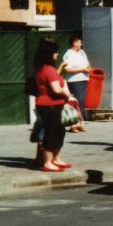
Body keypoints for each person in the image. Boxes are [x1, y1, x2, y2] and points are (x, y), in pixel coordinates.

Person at [34, 37, 73, 172]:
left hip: (50, 105)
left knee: (58, 132)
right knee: (52, 133)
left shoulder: (42, 68)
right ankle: (48, 162)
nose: (57, 54)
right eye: (55, 52)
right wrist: (67, 95)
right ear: (50, 53)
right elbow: (56, 89)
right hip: (51, 105)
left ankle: (56, 159)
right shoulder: (49, 70)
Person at [59, 36, 92, 133]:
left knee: (81, 102)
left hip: (84, 79)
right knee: (77, 100)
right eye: (79, 42)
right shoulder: (68, 54)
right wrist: (82, 69)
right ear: (74, 43)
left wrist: (88, 67)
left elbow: (87, 63)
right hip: (75, 81)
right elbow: (68, 69)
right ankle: (74, 124)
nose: (81, 44)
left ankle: (80, 123)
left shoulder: (82, 52)